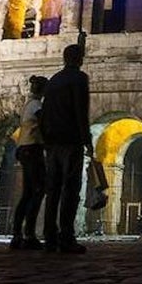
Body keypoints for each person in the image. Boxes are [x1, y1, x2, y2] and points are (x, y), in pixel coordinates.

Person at [40, 43, 92, 254]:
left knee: (52, 190)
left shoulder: (53, 80)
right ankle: (67, 237)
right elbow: (81, 110)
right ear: (79, 59)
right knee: (70, 189)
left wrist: (46, 139)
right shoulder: (79, 78)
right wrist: (86, 138)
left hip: (53, 142)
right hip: (71, 139)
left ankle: (49, 236)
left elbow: (44, 112)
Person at [10, 75, 48, 250]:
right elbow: (45, 124)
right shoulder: (36, 105)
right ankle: (28, 234)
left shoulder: (29, 104)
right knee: (37, 190)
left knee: (28, 193)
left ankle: (18, 234)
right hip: (32, 149)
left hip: (24, 148)